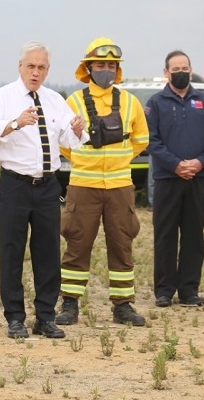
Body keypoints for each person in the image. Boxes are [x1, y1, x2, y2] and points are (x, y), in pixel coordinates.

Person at [0, 41, 87, 339]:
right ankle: (15, 317)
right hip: (15, 184)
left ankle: (45, 317)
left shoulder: (54, 100)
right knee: (12, 251)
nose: (35, 72)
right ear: (20, 66)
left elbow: (71, 136)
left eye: (41, 67)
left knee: (47, 252)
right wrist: (15, 123)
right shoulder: (1, 97)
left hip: (47, 186)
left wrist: (77, 128)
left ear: (48, 70)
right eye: (31, 66)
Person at [54, 37, 149, 328]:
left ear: (117, 69)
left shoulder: (131, 102)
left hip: (120, 186)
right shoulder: (73, 102)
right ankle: (69, 304)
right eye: (100, 64)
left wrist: (117, 161)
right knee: (77, 244)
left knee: (122, 244)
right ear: (89, 67)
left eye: (111, 65)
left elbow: (141, 140)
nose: (105, 69)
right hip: (83, 186)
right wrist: (88, 161)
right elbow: (63, 142)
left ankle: (123, 306)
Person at [146, 50, 204, 308]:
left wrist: (200, 162)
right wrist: (176, 164)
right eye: (175, 69)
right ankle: (164, 290)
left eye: (185, 68)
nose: (181, 73)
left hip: (198, 178)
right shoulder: (156, 103)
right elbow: (152, 141)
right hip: (168, 178)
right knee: (165, 234)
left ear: (191, 70)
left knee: (193, 235)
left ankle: (189, 290)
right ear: (166, 73)